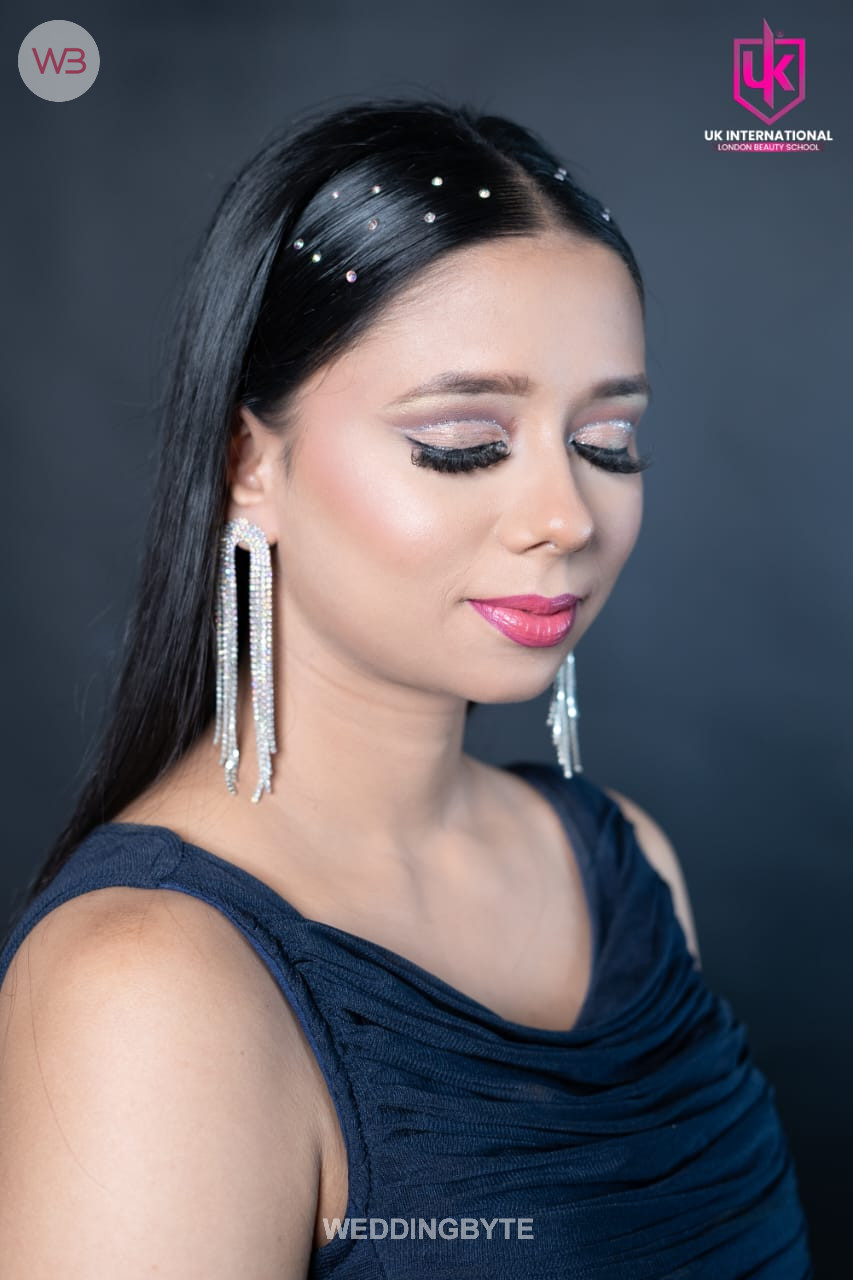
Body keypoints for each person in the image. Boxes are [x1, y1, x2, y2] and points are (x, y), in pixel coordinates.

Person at [0, 96, 813, 1277]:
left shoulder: (626, 863)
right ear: (249, 464)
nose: (566, 515)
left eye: (607, 443)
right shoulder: (147, 985)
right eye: (463, 442)